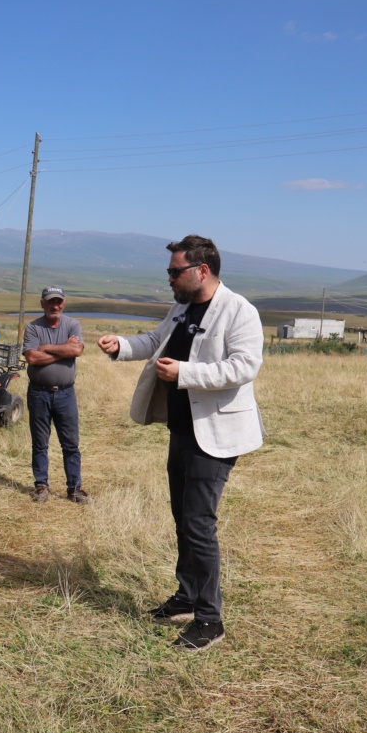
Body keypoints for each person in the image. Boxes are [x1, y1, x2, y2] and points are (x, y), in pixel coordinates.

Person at [97, 235, 265, 651]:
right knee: (182, 517)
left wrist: (187, 374)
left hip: (217, 435)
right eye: (170, 272)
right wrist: (121, 346)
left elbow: (244, 366)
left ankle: (210, 621)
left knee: (198, 524)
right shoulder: (182, 308)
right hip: (183, 429)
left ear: (201, 271)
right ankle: (187, 598)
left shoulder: (239, 310)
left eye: (175, 271)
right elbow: (156, 344)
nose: (170, 278)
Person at [23, 286, 87, 504]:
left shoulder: (72, 324)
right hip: (39, 393)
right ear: (42, 303)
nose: (55, 305)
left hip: (66, 394)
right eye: (50, 301)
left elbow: (76, 351)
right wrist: (63, 352)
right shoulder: (32, 327)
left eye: (59, 301)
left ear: (64, 303)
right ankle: (41, 486)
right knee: (40, 443)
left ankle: (74, 488)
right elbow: (32, 358)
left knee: (70, 444)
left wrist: (47, 348)